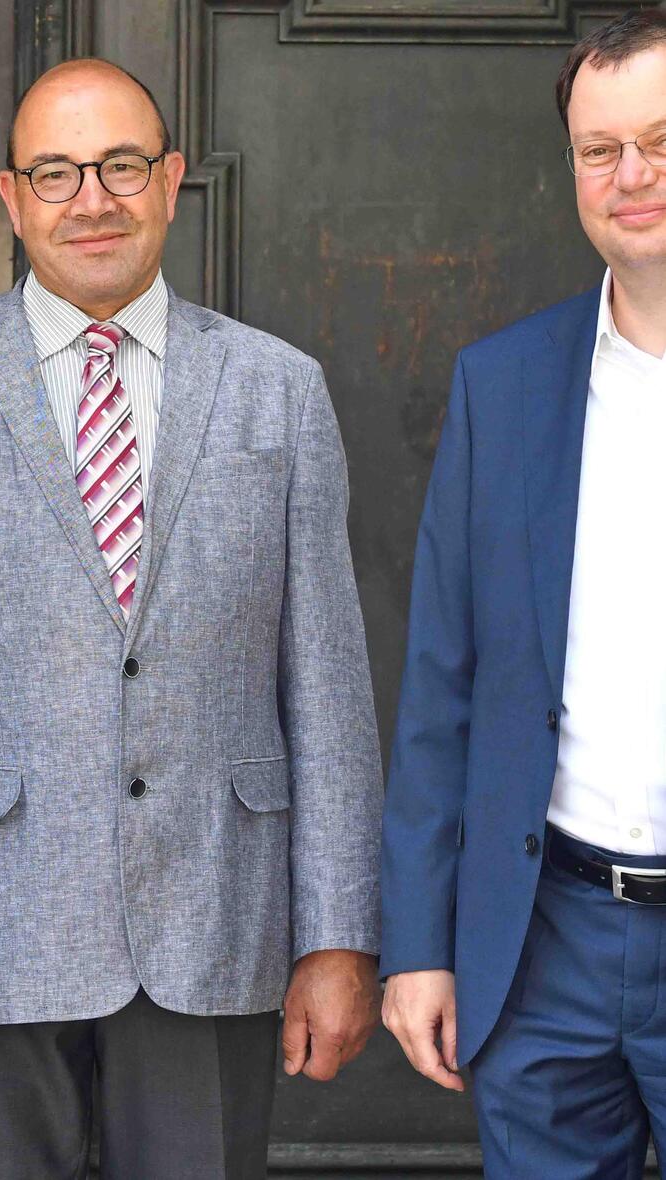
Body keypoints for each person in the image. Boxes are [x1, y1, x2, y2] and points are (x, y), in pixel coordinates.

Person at [0, 57, 382, 1180]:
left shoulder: (278, 389)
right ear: (11, 197)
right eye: (56, 172)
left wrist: (338, 934)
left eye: (120, 165)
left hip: (215, 920)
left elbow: (329, 688)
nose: (92, 198)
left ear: (171, 181)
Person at [382, 10, 666, 1175]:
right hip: (542, 941)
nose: (631, 175)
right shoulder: (501, 384)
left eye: (659, 138)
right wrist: (416, 944)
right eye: (599, 150)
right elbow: (443, 681)